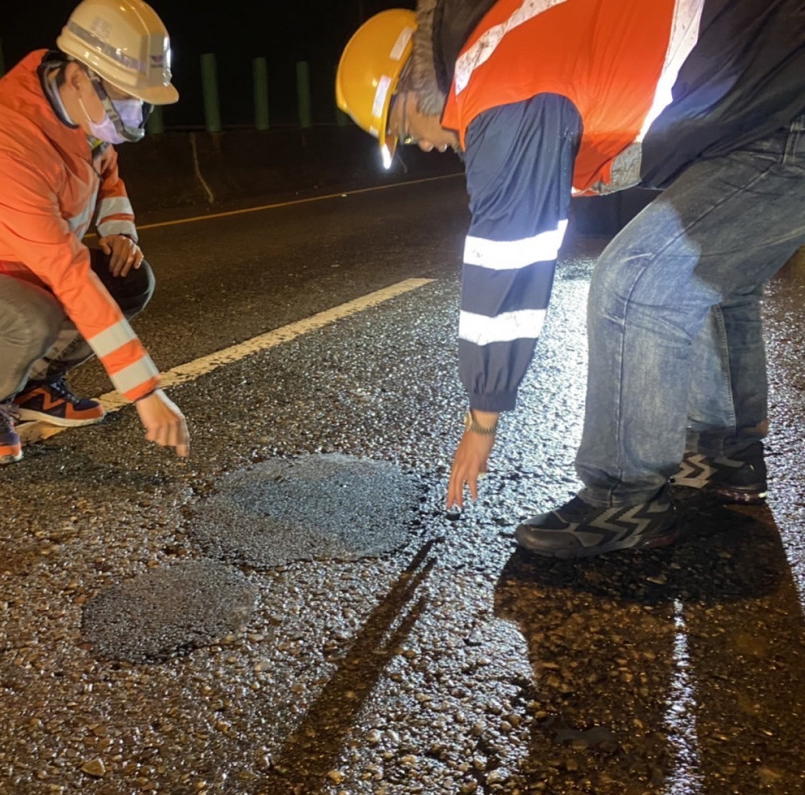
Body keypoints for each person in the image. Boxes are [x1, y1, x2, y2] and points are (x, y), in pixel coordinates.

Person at [336, 0, 805, 558]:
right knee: (703, 270)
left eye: (406, 132)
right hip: (767, 102)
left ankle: (623, 499)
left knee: (633, 284)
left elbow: (511, 255)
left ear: (409, 92)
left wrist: (482, 417)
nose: (428, 146)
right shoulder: (513, 36)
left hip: (781, 108)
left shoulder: (498, 77)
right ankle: (725, 453)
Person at [0, 0, 189, 465]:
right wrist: (145, 392)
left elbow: (107, 177)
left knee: (127, 279)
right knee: (32, 317)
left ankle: (35, 389)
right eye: (126, 94)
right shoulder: (11, 150)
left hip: (13, 260)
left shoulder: (81, 119)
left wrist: (119, 230)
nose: (134, 108)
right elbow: (68, 274)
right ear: (81, 76)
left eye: (140, 97)